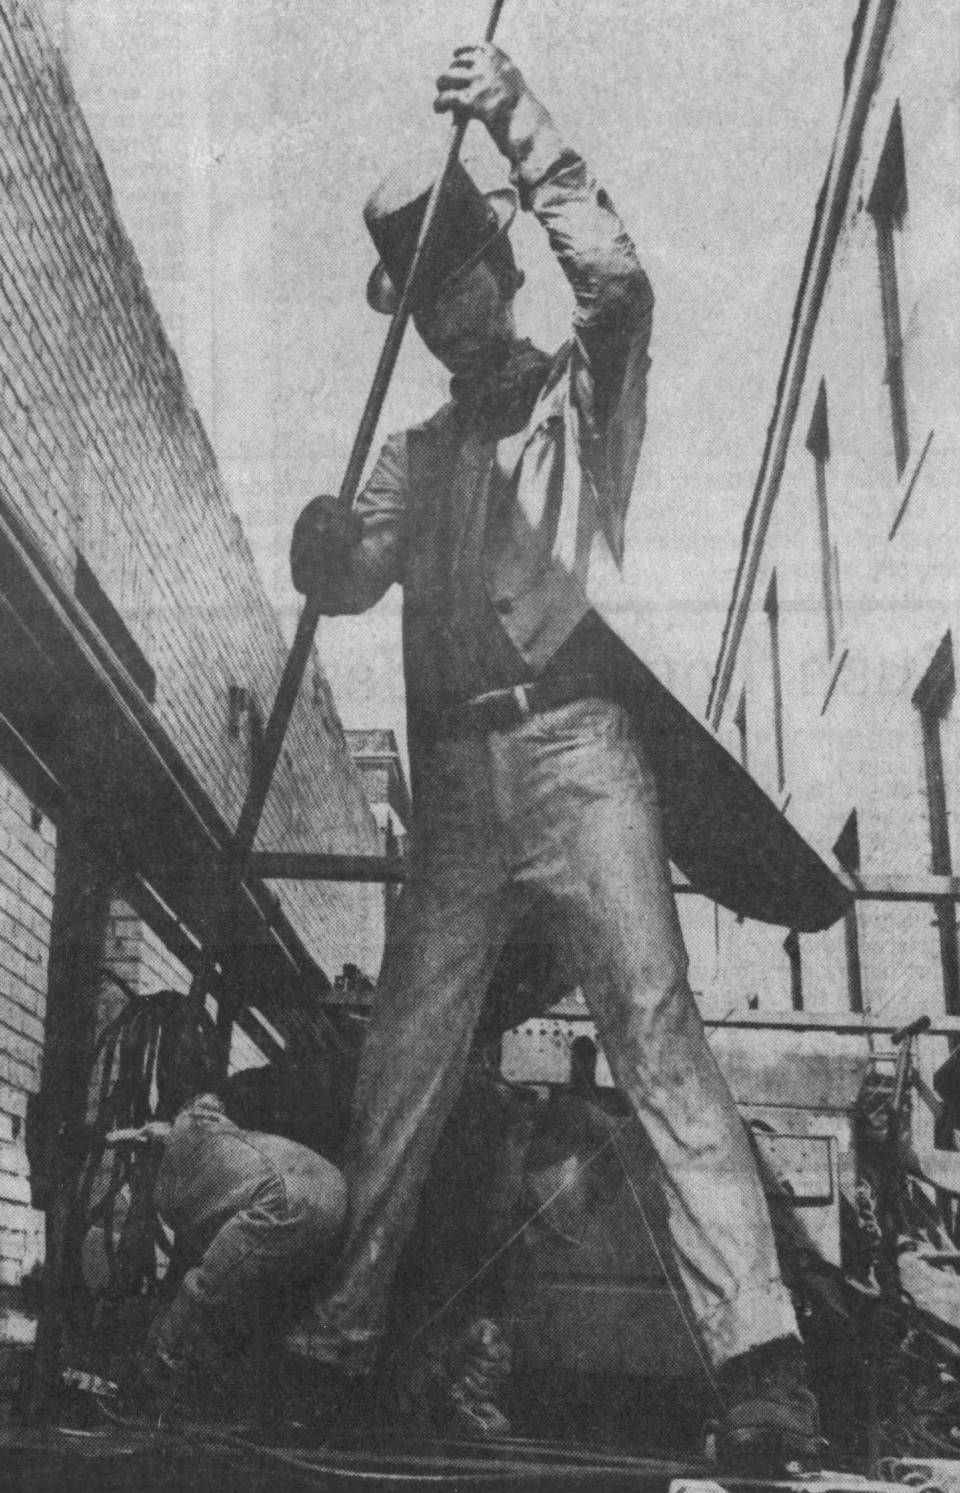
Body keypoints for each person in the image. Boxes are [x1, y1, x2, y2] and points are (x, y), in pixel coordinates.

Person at [287, 41, 822, 1470]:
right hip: (459, 792)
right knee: (405, 1051)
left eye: (458, 278)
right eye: (420, 296)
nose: (445, 312)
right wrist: (326, 547)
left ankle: (761, 1364)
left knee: (654, 1031)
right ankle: (339, 1338)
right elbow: (354, 573)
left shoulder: (581, 394)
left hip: (584, 755)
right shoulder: (418, 447)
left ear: (502, 273)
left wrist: (512, 116)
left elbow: (626, 280)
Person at [114, 1092, 347, 1418]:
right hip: (333, 1187)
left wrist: (157, 1344)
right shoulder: (219, 1136)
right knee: (259, 1302)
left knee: (203, 1293)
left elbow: (196, 1279)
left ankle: (147, 1394)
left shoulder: (175, 1152)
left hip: (282, 1198)